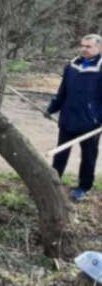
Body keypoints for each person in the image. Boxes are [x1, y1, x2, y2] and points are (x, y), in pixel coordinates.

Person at [47, 33, 102, 202]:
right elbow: (62, 91)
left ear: (99, 48)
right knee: (60, 154)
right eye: (83, 45)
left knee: (88, 157)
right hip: (68, 119)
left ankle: (83, 187)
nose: (84, 49)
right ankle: (52, 183)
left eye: (88, 46)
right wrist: (52, 108)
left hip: (91, 123)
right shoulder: (71, 66)